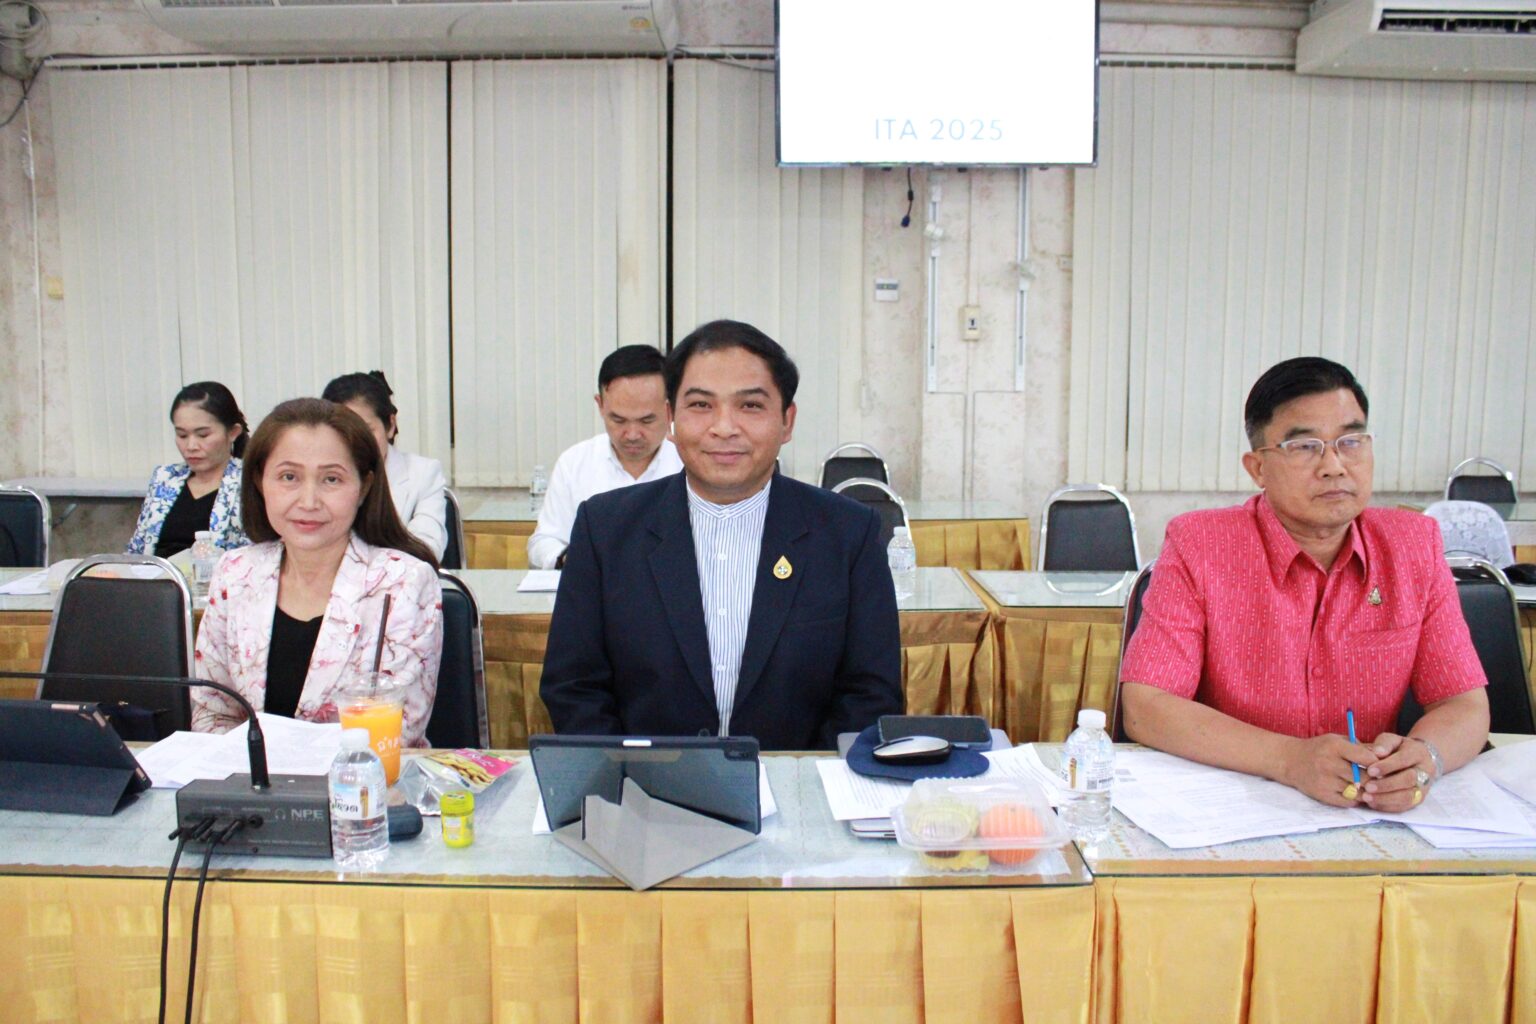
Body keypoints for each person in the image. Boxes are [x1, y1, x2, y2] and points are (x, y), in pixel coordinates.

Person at [1118, 356, 1490, 812]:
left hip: (1367, 808)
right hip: (1238, 802)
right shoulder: (1202, 545)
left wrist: (1425, 758)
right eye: (1305, 447)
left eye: (1350, 441)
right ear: (1257, 467)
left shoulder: (1413, 546)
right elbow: (1146, 706)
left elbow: (1464, 704)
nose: (1334, 465)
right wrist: (1289, 759)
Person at [540, 320, 903, 750]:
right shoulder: (605, 529)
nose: (724, 427)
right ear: (671, 419)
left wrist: (804, 778)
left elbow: (870, 694)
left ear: (787, 421)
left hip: (800, 784)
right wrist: (630, 775)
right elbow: (575, 686)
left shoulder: (848, 533)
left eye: (750, 406)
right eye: (701, 405)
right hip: (643, 785)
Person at [191, 398, 443, 747]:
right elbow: (212, 713)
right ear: (260, 481)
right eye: (289, 477)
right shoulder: (235, 573)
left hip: (363, 779)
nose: (308, 501)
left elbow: (396, 733)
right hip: (250, 778)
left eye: (331, 479)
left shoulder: (404, 583)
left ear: (364, 487)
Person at [527, 345, 685, 569]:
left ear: (671, 409)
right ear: (600, 405)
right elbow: (545, 541)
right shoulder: (575, 462)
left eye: (646, 421)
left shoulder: (690, 461)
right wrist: (569, 559)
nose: (632, 434)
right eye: (618, 420)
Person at [321, 371, 449, 561]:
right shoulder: (314, 476)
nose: (355, 443)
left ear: (390, 425)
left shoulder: (423, 474)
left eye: (367, 431)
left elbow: (427, 549)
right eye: (341, 432)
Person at [128, 382, 251, 558]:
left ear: (233, 432)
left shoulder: (249, 482)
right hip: (156, 574)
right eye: (182, 435)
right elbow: (136, 549)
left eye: (203, 435)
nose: (191, 446)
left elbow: (255, 555)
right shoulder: (165, 478)